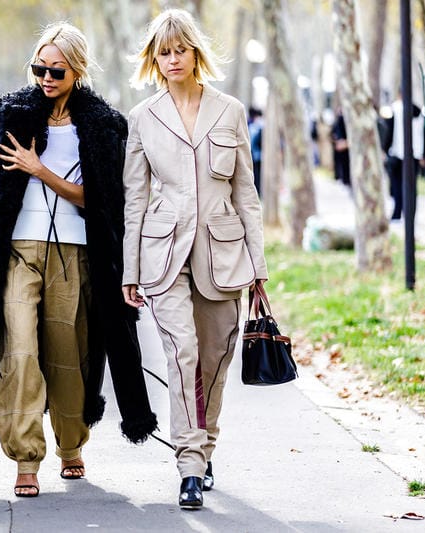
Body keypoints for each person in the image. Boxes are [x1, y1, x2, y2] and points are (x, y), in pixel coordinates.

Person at [0, 22, 157, 498]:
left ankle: (71, 444)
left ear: (76, 69)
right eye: (39, 67)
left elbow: (105, 201)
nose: (45, 76)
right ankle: (25, 456)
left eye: (55, 69)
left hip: (75, 253)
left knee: (69, 355)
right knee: (18, 350)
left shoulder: (102, 126)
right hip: (17, 250)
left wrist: (40, 170)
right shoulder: (11, 114)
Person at [121, 9, 267, 509]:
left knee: (212, 362)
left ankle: (204, 447)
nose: (172, 59)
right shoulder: (143, 118)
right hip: (162, 255)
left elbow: (246, 192)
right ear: (153, 59)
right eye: (163, 52)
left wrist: (259, 266)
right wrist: (129, 269)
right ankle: (188, 464)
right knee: (181, 353)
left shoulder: (229, 111)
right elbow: (134, 199)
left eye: (180, 49)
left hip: (223, 255)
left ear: (195, 52)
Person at [384, 93, 425, 220]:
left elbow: (388, 131)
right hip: (415, 154)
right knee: (411, 186)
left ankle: (398, 212)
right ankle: (410, 214)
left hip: (397, 153)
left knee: (397, 185)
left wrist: (385, 149)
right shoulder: (418, 110)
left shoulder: (395, 109)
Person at [331, 108, 351, 187]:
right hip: (341, 145)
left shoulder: (341, 120)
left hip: (344, 145)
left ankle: (344, 178)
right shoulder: (340, 121)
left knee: (344, 163)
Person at [247, 107, 263, 195]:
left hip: (253, 154)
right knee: (257, 175)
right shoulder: (258, 125)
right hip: (257, 155)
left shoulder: (250, 124)